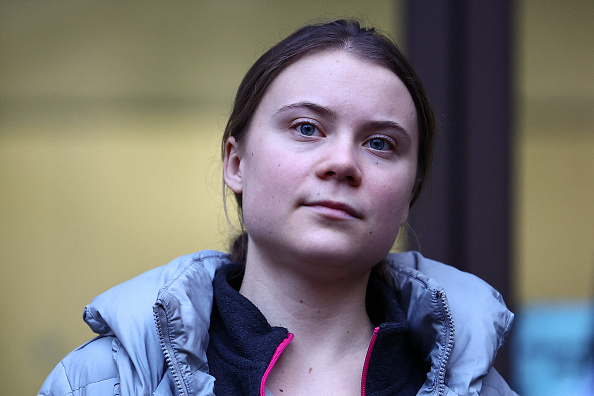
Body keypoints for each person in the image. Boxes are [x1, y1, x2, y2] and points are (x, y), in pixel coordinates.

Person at [39, 20, 517, 396]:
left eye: (379, 143)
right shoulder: (101, 383)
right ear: (236, 163)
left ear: (408, 194)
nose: (342, 163)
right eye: (307, 128)